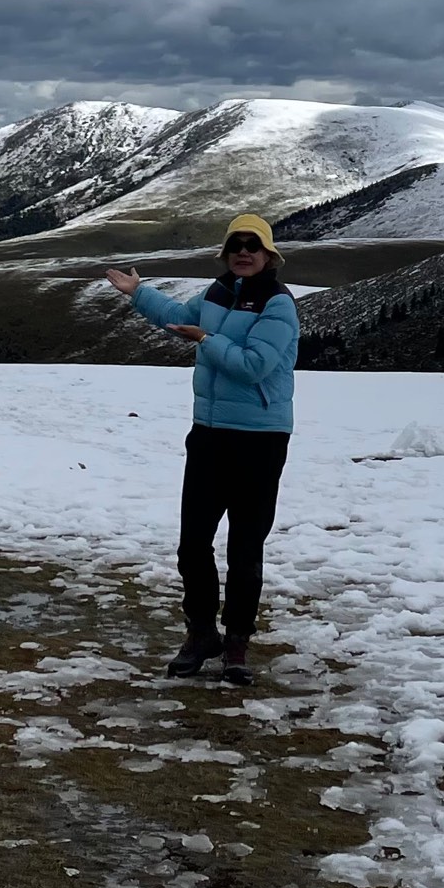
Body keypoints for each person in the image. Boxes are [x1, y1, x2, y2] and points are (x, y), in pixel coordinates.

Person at [104, 213, 299, 685]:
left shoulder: (278, 304)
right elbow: (177, 317)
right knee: (193, 543)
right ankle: (200, 633)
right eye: (236, 244)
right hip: (209, 433)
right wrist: (139, 293)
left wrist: (207, 341)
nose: (244, 252)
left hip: (259, 439)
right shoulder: (216, 293)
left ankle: (236, 643)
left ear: (269, 254)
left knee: (245, 546)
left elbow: (254, 366)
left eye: (254, 245)